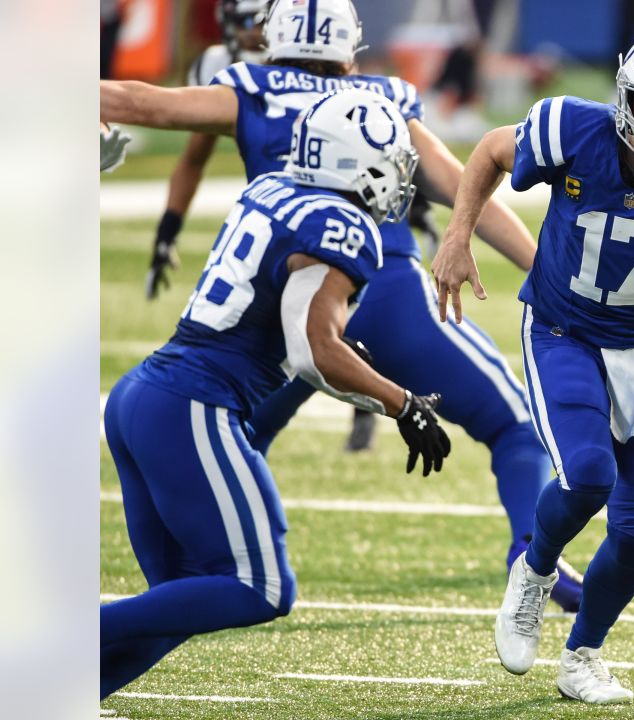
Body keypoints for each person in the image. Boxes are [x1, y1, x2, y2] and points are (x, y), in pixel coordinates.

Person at [100, 0, 585, 611]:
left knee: (231, 430)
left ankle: (188, 570)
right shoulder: (382, 102)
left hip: (275, 317)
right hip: (384, 293)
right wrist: (548, 275)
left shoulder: (252, 88)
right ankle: (529, 549)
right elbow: (468, 192)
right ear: (349, 44)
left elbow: (137, 102)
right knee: (515, 425)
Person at [432, 27, 634, 704]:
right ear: (624, 96)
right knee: (585, 476)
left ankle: (583, 655)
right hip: (562, 328)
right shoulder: (569, 128)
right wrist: (458, 233)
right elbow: (492, 150)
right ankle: (536, 567)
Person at [99, 88, 452, 698]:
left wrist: (360, 373)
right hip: (193, 404)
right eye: (393, 164)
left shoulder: (274, 191)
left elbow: (296, 327)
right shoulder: (342, 224)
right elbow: (312, 350)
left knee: (182, 598)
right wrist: (402, 403)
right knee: (259, 586)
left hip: (148, 396)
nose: (400, 179)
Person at [146, 0, 268, 301]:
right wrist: (167, 230)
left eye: (263, 22)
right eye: (247, 23)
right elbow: (194, 158)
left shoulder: (304, 66)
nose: (256, 33)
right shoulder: (218, 67)